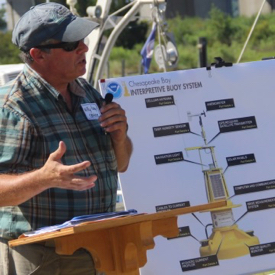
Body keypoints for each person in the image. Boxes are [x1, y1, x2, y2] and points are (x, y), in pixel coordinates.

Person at [0, 2, 132, 275]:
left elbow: (121, 164)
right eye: (71, 45)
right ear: (38, 55)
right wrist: (44, 178)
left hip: (100, 247)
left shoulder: (86, 91)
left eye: (82, 40)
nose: (84, 48)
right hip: (45, 256)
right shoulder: (14, 107)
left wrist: (120, 138)